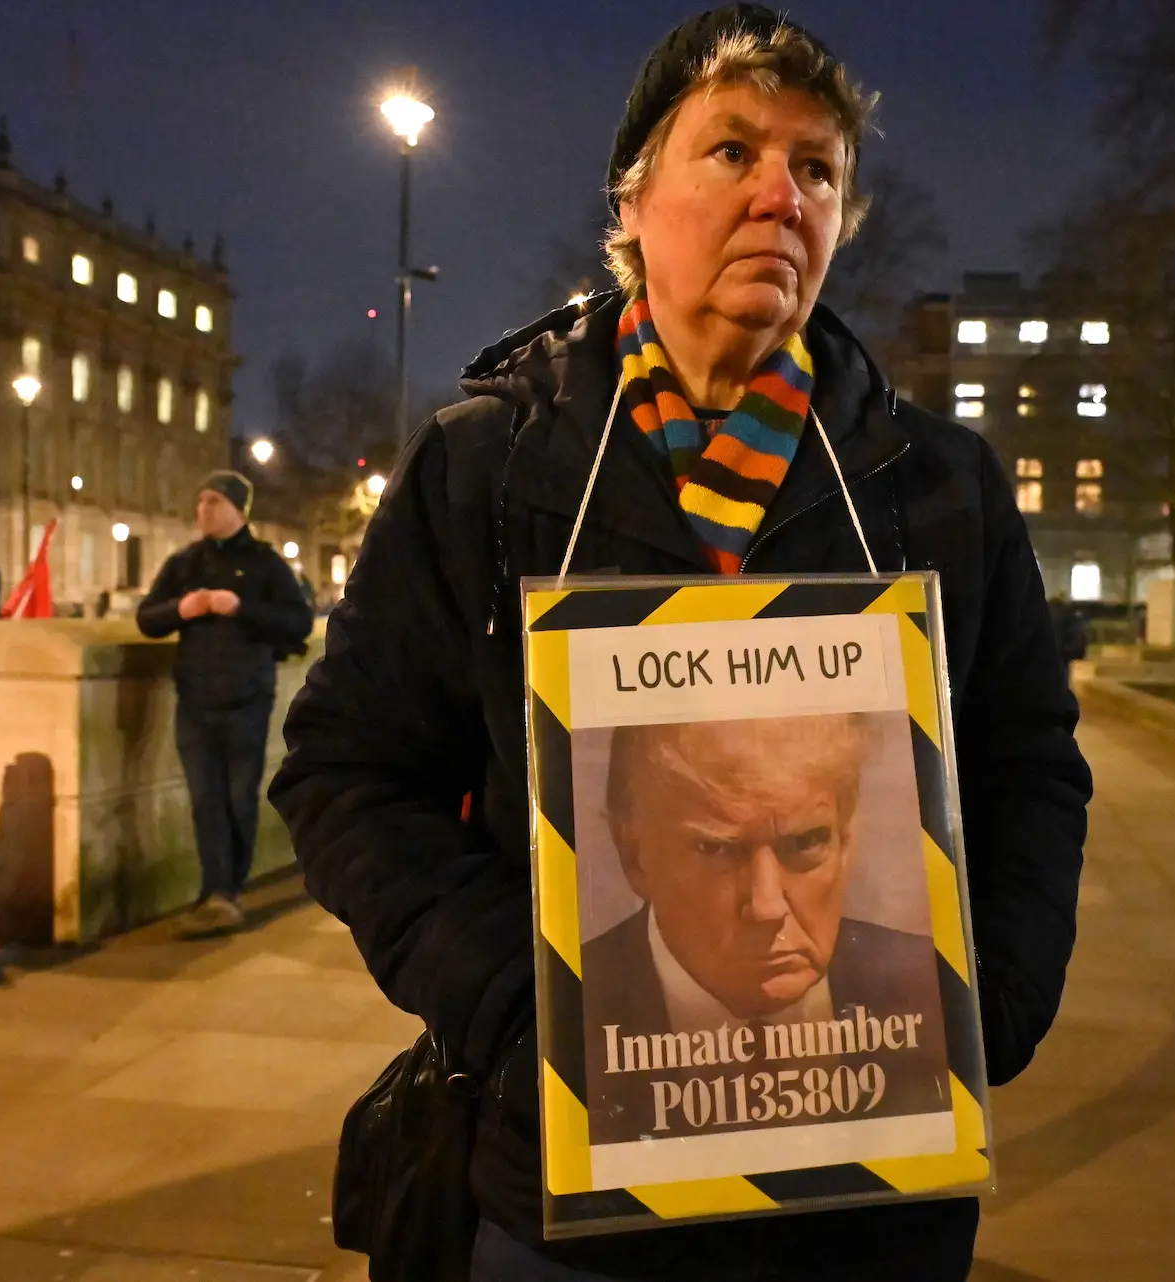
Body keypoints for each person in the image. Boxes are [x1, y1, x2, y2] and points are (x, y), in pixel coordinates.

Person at [272, 7, 1091, 1280]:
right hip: (568, 1206)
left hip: (869, 1210)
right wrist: (523, 1010)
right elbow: (346, 773)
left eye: (817, 168)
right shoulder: (487, 472)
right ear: (633, 197)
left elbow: (1027, 766)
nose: (782, 195)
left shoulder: (940, 487)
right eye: (734, 151)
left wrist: (997, 998)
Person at [582, 715, 949, 1144]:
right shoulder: (566, 1012)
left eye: (805, 842)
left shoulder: (937, 990)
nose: (767, 906)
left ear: (847, 840)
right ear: (634, 856)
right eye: (717, 849)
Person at [137, 471, 314, 937]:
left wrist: (240, 608)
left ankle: (228, 889)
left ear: (239, 509)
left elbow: (297, 621)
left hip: (247, 699)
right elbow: (147, 619)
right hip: (194, 699)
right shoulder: (185, 564)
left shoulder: (265, 564)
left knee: (238, 798)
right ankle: (216, 892)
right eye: (200, 502)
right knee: (205, 799)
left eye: (214, 501)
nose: (203, 510)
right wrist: (181, 610)